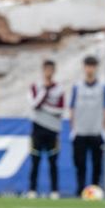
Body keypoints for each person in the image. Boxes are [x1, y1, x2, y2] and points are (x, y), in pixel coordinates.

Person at [69, 54, 105, 193]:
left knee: (96, 164)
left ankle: (95, 190)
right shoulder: (77, 87)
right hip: (80, 131)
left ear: (96, 68)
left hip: (96, 131)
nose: (90, 69)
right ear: (84, 67)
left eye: (92, 66)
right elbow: (72, 109)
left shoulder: (103, 87)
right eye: (88, 66)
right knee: (80, 164)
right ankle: (80, 190)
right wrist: (73, 129)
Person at [27, 59, 65, 198]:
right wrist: (44, 91)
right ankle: (32, 190)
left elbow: (60, 110)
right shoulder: (36, 86)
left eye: (51, 70)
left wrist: (45, 107)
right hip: (37, 127)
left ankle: (54, 191)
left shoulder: (59, 88)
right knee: (35, 161)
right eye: (46, 69)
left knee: (53, 162)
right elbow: (33, 104)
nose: (48, 72)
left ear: (54, 71)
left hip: (53, 128)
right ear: (43, 70)